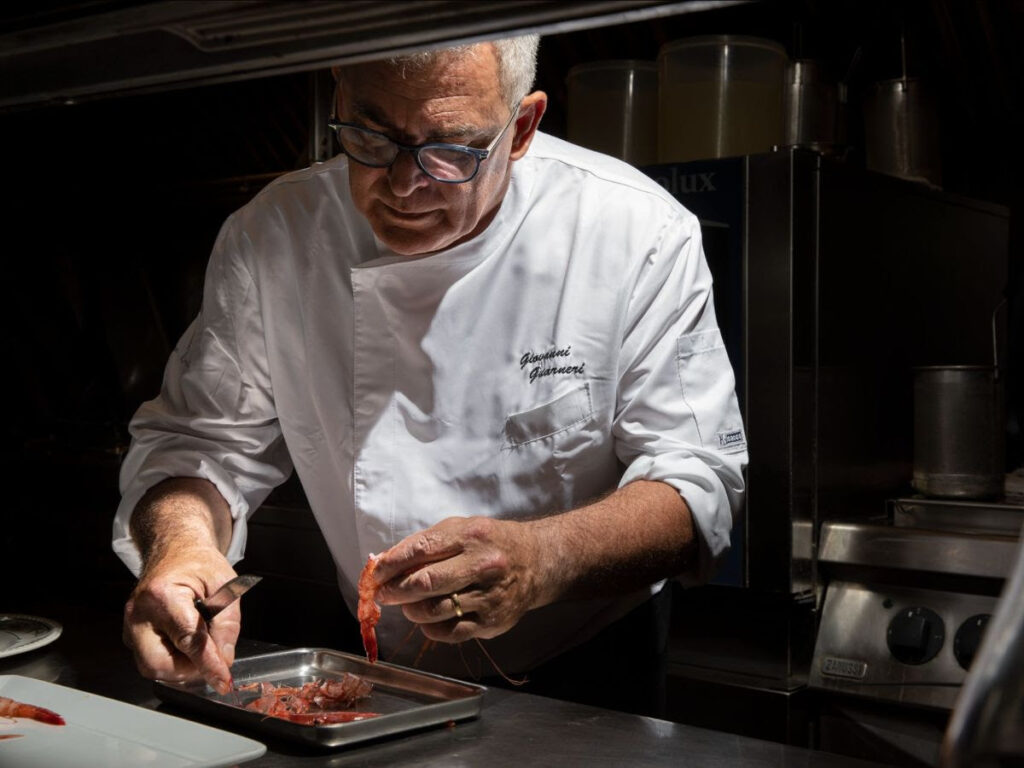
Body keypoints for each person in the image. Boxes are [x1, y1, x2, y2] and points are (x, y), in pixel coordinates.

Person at [113, 34, 746, 717]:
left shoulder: (634, 231)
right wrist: (181, 548)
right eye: (372, 136)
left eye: (454, 148)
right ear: (340, 94)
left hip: (586, 668)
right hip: (373, 657)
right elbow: (200, 446)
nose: (406, 184)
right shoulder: (276, 235)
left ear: (523, 127)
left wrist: (544, 561)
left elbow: (696, 482)